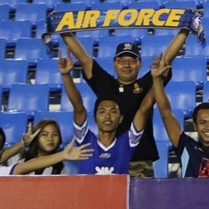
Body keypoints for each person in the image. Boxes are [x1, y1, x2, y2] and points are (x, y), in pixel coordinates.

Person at [61, 30, 188, 177]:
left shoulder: (150, 81)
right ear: (114, 63)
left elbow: (167, 59)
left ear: (140, 64)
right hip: (108, 162)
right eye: (121, 61)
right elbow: (83, 58)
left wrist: (185, 30)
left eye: (132, 61)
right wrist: (61, 30)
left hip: (140, 163)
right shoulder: (105, 83)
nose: (127, 65)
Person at [59, 51, 155, 175]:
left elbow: (144, 109)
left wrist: (157, 79)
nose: (108, 116)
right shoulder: (85, 141)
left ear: (120, 118)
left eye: (113, 111)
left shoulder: (127, 143)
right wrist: (66, 75)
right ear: (95, 117)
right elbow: (78, 108)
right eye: (102, 111)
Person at [0, 119, 67, 175]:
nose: (50, 138)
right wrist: (22, 145)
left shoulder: (60, 167)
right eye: (44, 134)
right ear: (36, 138)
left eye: (55, 134)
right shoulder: (20, 158)